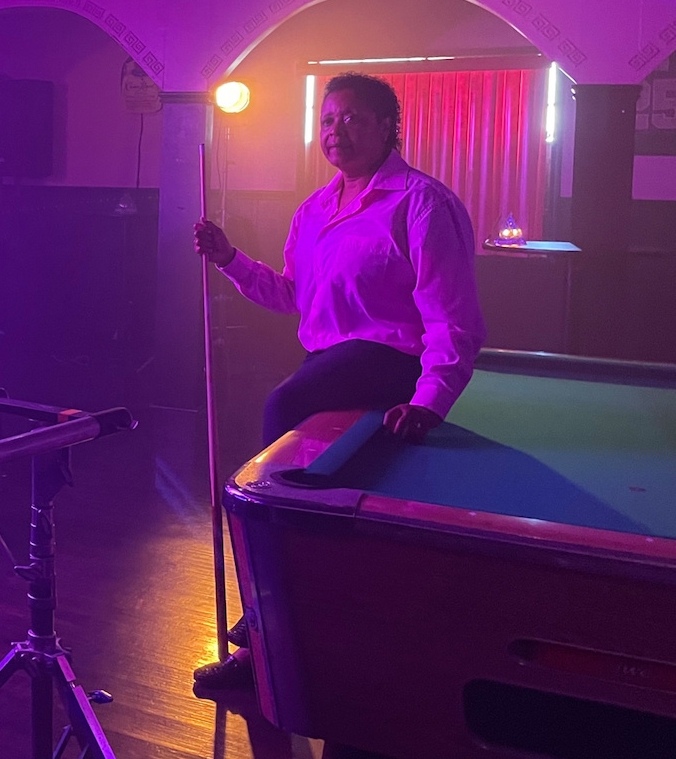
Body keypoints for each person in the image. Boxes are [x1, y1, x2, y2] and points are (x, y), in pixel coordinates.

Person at [190, 72, 486, 690]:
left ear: (387, 126)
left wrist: (429, 401)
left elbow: (452, 319)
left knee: (283, 408)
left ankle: (261, 620)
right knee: (292, 429)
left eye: (352, 118)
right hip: (330, 364)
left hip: (390, 362)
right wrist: (229, 259)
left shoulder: (422, 203)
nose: (336, 131)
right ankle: (270, 636)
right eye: (327, 120)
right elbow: (293, 296)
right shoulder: (314, 210)